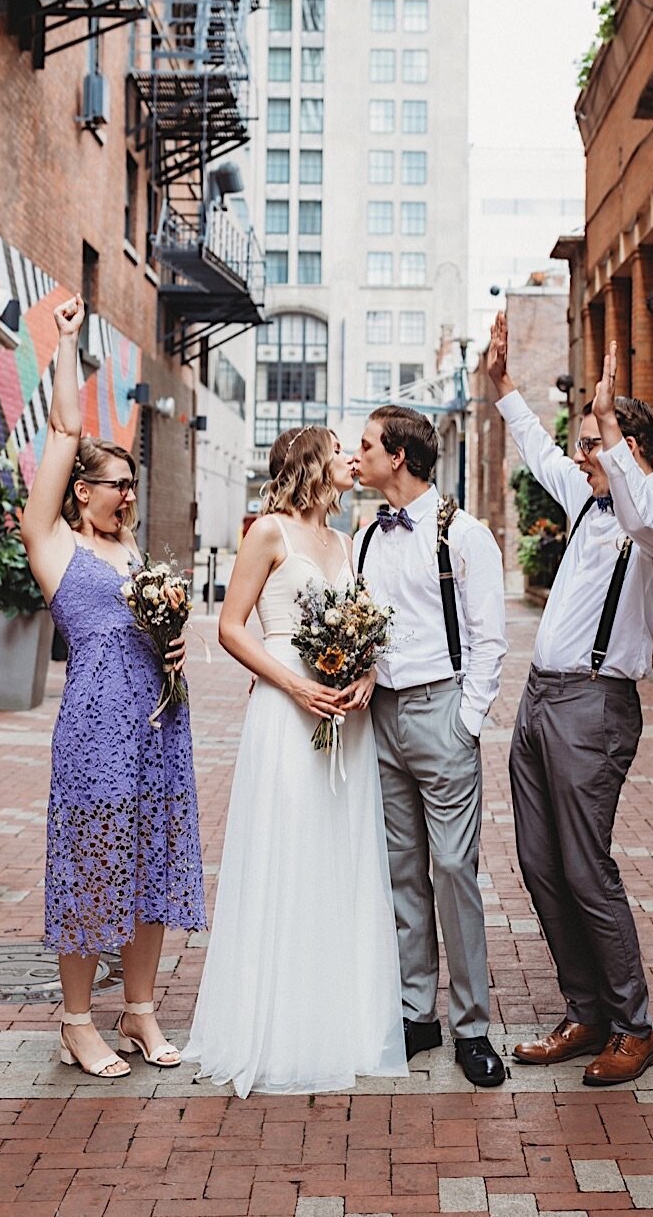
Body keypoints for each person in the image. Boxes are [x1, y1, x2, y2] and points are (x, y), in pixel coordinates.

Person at [487, 313, 653, 1086]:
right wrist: (503, 386)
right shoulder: (587, 502)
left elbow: (643, 511)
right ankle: (586, 1012)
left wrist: (607, 423)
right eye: (583, 443)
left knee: (586, 868)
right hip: (540, 703)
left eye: (595, 443)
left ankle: (632, 1027)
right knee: (540, 863)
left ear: (629, 447)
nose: (578, 457)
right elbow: (539, 451)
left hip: (596, 709)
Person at [182, 425, 406, 1097]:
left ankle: (339, 1023)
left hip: (345, 716)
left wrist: (365, 674)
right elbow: (229, 626)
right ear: (309, 462)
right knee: (288, 850)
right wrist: (294, 683)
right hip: (287, 712)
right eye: (338, 449)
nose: (349, 459)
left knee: (340, 856)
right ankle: (273, 1027)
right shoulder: (269, 532)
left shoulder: (345, 540)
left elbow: (361, 624)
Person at [21, 294, 205, 1080]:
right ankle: (75, 1021)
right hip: (96, 730)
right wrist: (69, 346)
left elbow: (160, 632)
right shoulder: (53, 544)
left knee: (154, 864)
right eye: (113, 484)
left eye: (132, 484)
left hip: (160, 724)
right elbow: (64, 431)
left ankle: (138, 1010)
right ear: (78, 491)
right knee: (92, 865)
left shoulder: (137, 557)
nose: (126, 494)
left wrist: (174, 652)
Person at [350, 406, 509, 1088]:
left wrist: (465, 724)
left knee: (452, 869)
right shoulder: (364, 538)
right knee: (401, 871)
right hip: (380, 716)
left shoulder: (465, 535)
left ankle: (472, 1025)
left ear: (400, 457)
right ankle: (419, 1013)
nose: (355, 457)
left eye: (365, 446)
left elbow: (490, 641)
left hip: (442, 711)